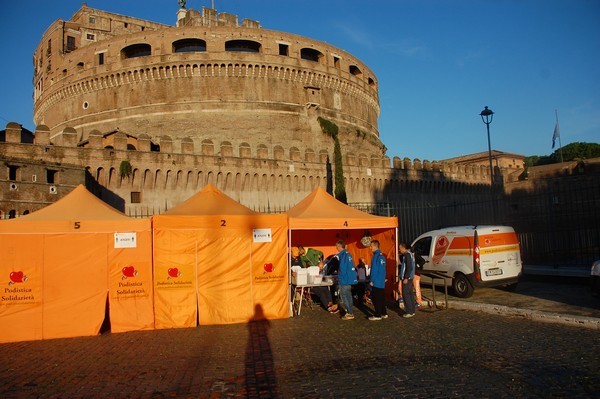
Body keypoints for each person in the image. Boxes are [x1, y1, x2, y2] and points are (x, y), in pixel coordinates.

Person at [336, 240, 357, 320]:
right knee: (349, 295)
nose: (336, 248)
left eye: (337, 246)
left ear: (339, 246)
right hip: (349, 279)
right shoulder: (348, 254)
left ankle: (349, 313)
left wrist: (339, 276)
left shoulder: (343, 255)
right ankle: (350, 311)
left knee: (345, 296)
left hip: (344, 279)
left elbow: (343, 268)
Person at [368, 240, 388, 320]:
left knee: (376, 299)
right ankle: (384, 313)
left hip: (376, 281)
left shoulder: (375, 256)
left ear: (375, 246)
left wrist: (372, 280)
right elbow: (383, 269)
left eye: (371, 246)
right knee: (382, 298)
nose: (370, 248)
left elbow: (374, 270)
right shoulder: (382, 256)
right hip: (381, 280)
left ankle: (377, 315)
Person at [399, 242, 416, 318]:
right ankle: (412, 310)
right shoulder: (410, 254)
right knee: (410, 293)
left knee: (405, 294)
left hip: (407, 278)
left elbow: (408, 267)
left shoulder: (407, 255)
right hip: (410, 277)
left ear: (403, 247)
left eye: (400, 248)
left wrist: (406, 277)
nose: (399, 250)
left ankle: (409, 311)